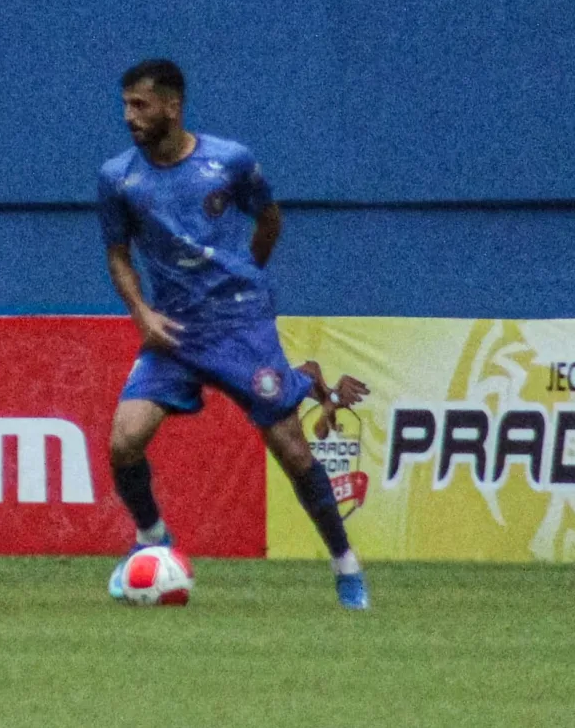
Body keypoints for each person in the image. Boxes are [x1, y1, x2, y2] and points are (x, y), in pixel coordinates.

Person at [97, 59, 373, 610]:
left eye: (141, 105)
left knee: (294, 453)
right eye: (126, 104)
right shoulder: (117, 177)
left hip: (241, 328)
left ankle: (346, 565)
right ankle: (152, 537)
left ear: (172, 106)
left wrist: (244, 281)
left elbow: (269, 218)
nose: (129, 116)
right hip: (174, 330)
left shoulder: (229, 161)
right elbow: (117, 254)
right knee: (124, 441)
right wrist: (142, 314)